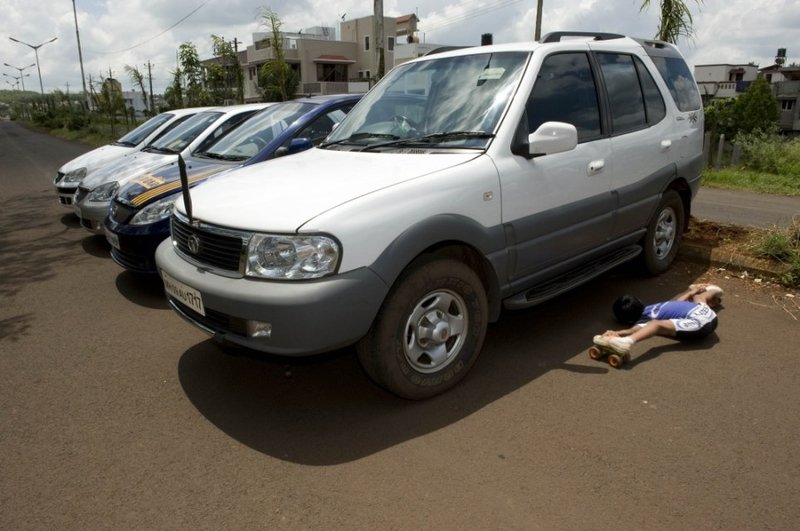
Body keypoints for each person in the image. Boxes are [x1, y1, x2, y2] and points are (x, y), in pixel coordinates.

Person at [593, 283, 723, 356]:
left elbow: (634, 329)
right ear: (639, 301)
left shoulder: (648, 317)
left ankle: (626, 342)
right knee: (700, 297)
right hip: (707, 316)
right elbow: (677, 303)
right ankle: (712, 291)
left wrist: (618, 333)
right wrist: (691, 292)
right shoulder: (654, 308)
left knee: (656, 325)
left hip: (701, 322)